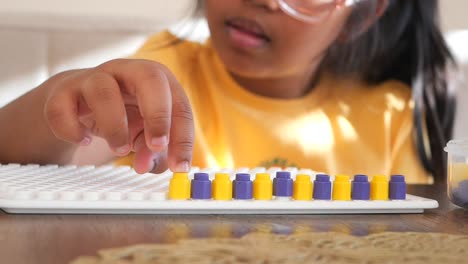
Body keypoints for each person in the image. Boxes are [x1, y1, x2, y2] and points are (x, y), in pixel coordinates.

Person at [0, 0, 456, 184]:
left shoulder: (390, 117)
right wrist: (59, 103)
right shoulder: (163, 75)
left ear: (362, 14)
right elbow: (17, 157)